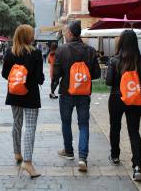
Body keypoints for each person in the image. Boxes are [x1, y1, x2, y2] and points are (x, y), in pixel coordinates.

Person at [53, 21, 101, 172]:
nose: (65, 34)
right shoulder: (91, 50)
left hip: (67, 93)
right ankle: (82, 158)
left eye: (66, 32)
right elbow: (97, 74)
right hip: (84, 94)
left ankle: (68, 151)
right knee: (84, 125)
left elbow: (56, 74)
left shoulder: (61, 50)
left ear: (70, 33)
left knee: (66, 122)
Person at [105, 30, 141, 182]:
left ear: (121, 42)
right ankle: (137, 166)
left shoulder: (114, 60)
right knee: (134, 131)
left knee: (115, 127)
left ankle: (115, 155)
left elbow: (109, 81)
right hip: (134, 99)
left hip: (117, 98)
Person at [2, 24, 44, 178]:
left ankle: (17, 153)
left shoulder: (9, 53)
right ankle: (27, 161)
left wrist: (17, 79)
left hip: (14, 93)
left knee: (17, 122)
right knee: (30, 127)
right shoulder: (36, 53)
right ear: (28, 36)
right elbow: (40, 78)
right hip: (31, 95)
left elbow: (5, 74)